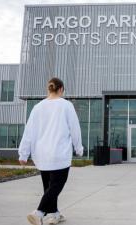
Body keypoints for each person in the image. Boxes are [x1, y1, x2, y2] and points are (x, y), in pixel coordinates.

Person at [18, 77, 83, 225]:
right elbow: (75, 129)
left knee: (49, 188)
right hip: (59, 154)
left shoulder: (38, 107)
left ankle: (55, 214)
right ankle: (39, 212)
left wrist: (23, 153)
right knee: (55, 187)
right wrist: (78, 148)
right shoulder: (66, 106)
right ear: (61, 89)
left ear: (49, 89)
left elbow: (29, 132)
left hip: (41, 155)